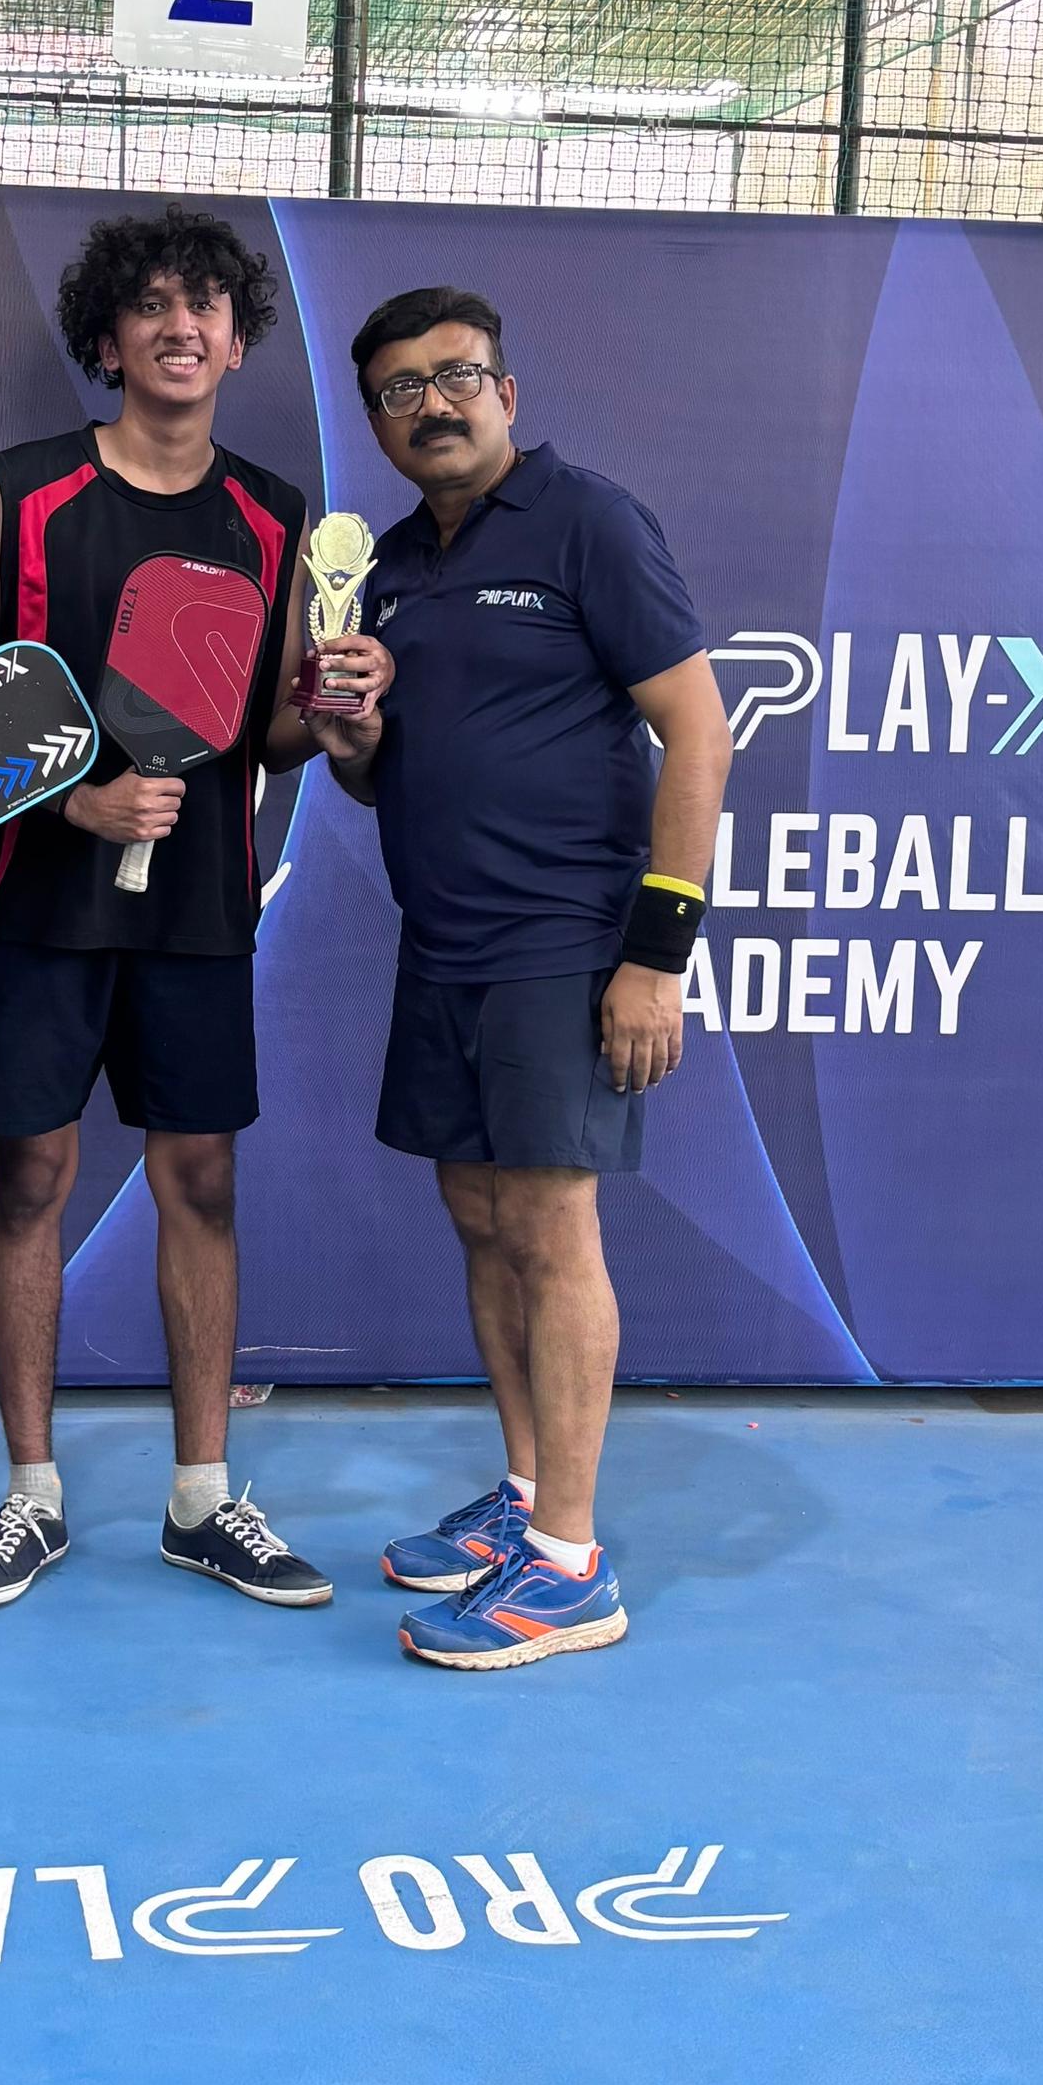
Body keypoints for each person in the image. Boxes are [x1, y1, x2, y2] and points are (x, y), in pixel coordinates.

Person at [0, 206, 355, 1613]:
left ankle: (203, 1498)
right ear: (108, 341)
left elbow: (269, 728)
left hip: (197, 909)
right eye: (153, 306)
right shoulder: (23, 489)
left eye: (206, 306)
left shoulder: (276, 515)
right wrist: (78, 805)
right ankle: (31, 1494)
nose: (182, 326)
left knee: (204, 1184)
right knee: (32, 1182)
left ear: (237, 342)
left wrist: (330, 714)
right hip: (33, 898)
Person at [306, 286, 732, 1669]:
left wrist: (655, 955)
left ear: (506, 390)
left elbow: (698, 730)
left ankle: (570, 1567)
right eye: (400, 391)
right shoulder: (387, 571)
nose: (432, 405)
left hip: (565, 942)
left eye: (457, 376)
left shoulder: (588, 521)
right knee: (482, 1218)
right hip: (442, 945)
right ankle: (528, 1491)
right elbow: (378, 782)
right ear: (378, 422)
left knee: (551, 1230)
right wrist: (353, 738)